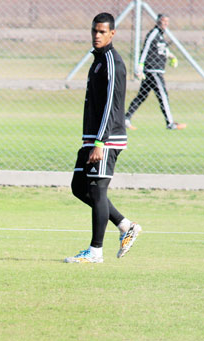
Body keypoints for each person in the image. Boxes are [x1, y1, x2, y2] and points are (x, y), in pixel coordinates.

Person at [65, 13, 141, 264]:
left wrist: (100, 142)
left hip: (105, 139)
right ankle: (125, 225)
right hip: (92, 137)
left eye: (102, 32)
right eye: (94, 31)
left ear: (112, 34)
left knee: (98, 190)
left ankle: (95, 251)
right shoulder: (98, 60)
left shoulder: (111, 61)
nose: (97, 36)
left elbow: (111, 105)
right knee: (79, 187)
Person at [125, 14, 186, 130]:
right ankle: (170, 123)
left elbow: (161, 49)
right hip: (153, 71)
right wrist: (140, 66)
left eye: (167, 22)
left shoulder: (161, 36)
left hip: (157, 70)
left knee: (142, 96)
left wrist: (171, 56)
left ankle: (126, 119)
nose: (165, 24)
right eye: (163, 21)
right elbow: (146, 49)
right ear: (158, 21)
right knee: (163, 95)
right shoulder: (153, 33)